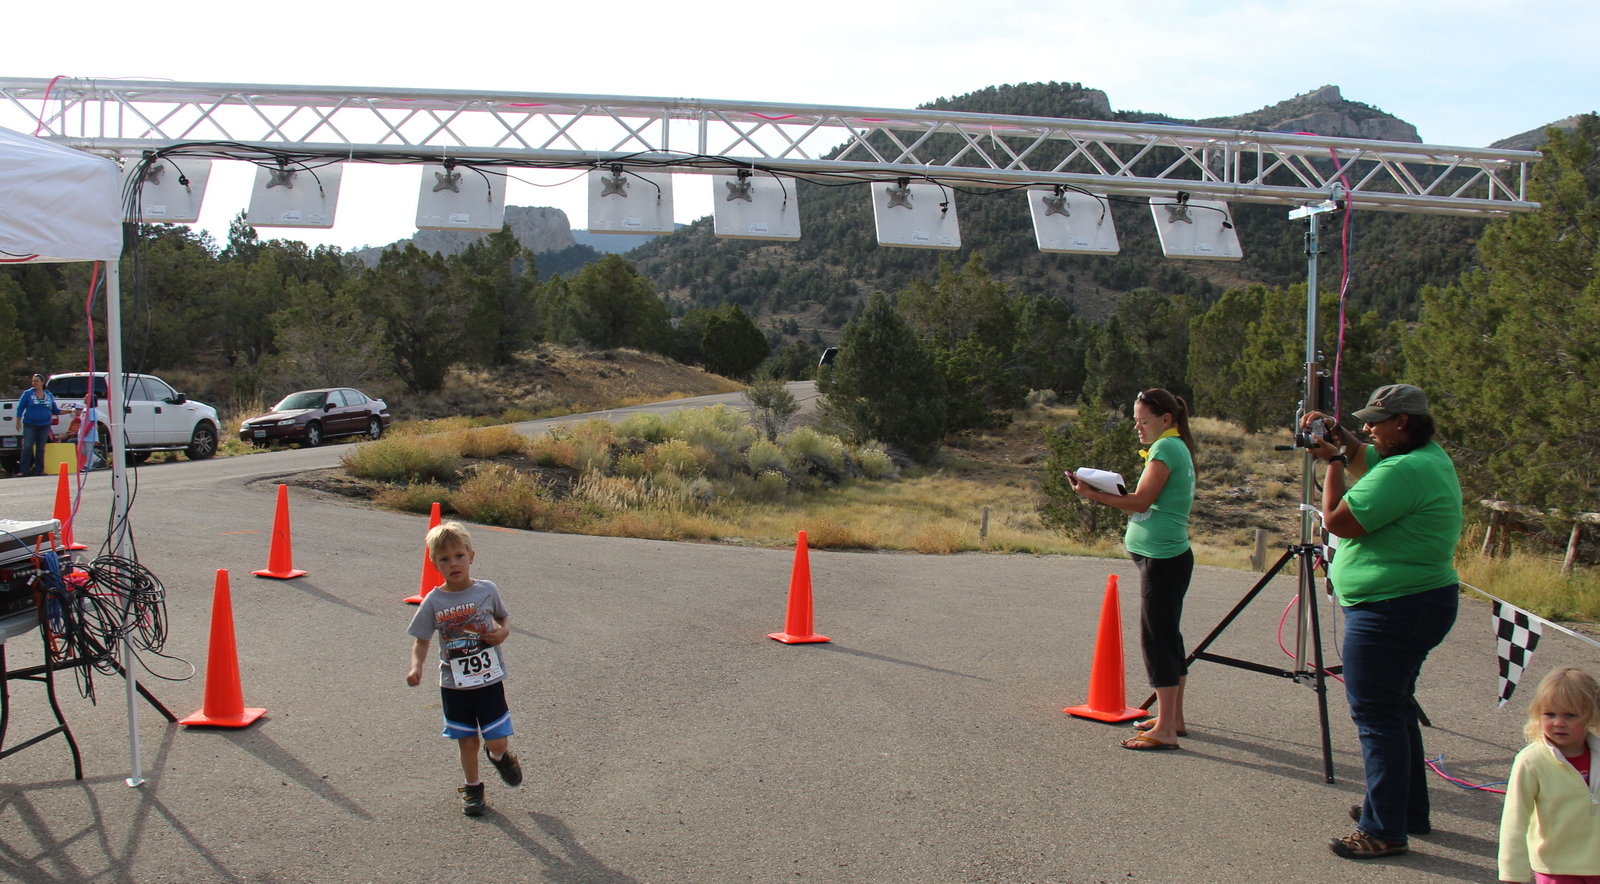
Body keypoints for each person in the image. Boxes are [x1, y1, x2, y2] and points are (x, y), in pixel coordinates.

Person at [1302, 383, 1462, 860]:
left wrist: (1332, 462)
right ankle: (1404, 810)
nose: (1369, 430)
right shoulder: (1421, 456)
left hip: (1394, 609)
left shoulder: (1405, 469)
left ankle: (1384, 829)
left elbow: (1336, 521)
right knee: (1394, 709)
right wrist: (1339, 436)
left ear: (1402, 422)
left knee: (1376, 717)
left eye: (1376, 422)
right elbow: (1365, 457)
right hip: (1412, 603)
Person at [1068, 388, 1197, 750]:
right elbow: (1144, 504)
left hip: (1163, 558)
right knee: (1168, 636)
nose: (1137, 428)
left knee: (1157, 641)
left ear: (1166, 420)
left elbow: (1140, 502)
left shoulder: (1166, 448)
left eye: (1144, 421)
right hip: (1163, 555)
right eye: (1136, 421)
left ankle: (1166, 730)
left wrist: (1091, 493)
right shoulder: (1173, 446)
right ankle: (1172, 718)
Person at [406, 521, 523, 816]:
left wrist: (503, 632)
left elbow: (504, 618)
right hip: (454, 685)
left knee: (497, 741)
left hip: (488, 681)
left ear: (471, 556)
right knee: (467, 742)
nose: (453, 564)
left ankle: (499, 757)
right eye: (444, 559)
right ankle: (473, 789)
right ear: (435, 564)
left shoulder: (487, 590)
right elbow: (421, 640)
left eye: (459, 556)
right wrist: (416, 667)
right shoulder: (433, 601)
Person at [1498, 667, 1600, 884]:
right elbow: (1514, 820)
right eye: (1549, 714)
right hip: (1555, 866)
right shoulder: (1532, 761)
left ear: (1592, 715)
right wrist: (1512, 874)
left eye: (1570, 715)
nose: (1558, 723)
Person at [17, 374, 61, 477]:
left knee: (41, 448)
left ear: (42, 382)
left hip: (44, 424)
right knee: (28, 446)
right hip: (30, 423)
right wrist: (18, 421)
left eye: (36, 381)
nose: (34, 383)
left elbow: (55, 410)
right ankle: (23, 471)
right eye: (33, 381)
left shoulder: (48, 395)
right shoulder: (28, 394)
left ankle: (39, 470)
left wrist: (68, 411)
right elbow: (20, 408)